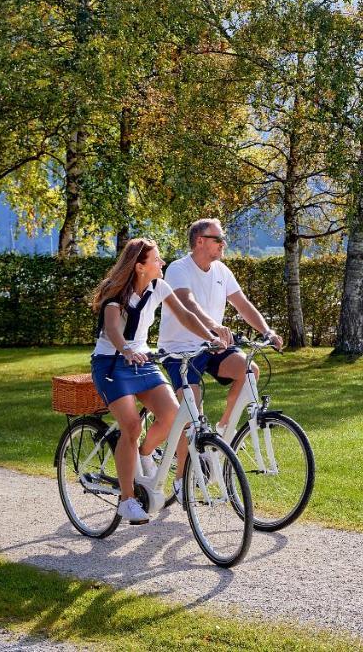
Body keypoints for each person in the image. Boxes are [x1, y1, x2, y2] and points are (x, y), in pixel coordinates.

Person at [90, 237, 223, 524]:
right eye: (156, 259)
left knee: (176, 416)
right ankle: (127, 500)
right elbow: (113, 327)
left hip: (143, 361)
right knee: (132, 425)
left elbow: (186, 315)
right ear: (139, 266)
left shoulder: (159, 287)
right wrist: (124, 349)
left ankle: (159, 465)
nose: (162, 263)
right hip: (111, 363)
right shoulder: (117, 294)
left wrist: (210, 337)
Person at [158, 219, 283, 448]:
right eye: (218, 239)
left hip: (213, 345)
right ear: (200, 241)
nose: (223, 243)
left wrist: (267, 330)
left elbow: (242, 305)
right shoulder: (178, 269)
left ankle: (225, 428)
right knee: (191, 417)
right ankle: (180, 479)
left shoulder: (221, 271)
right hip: (180, 350)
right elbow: (188, 304)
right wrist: (213, 326)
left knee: (248, 370)